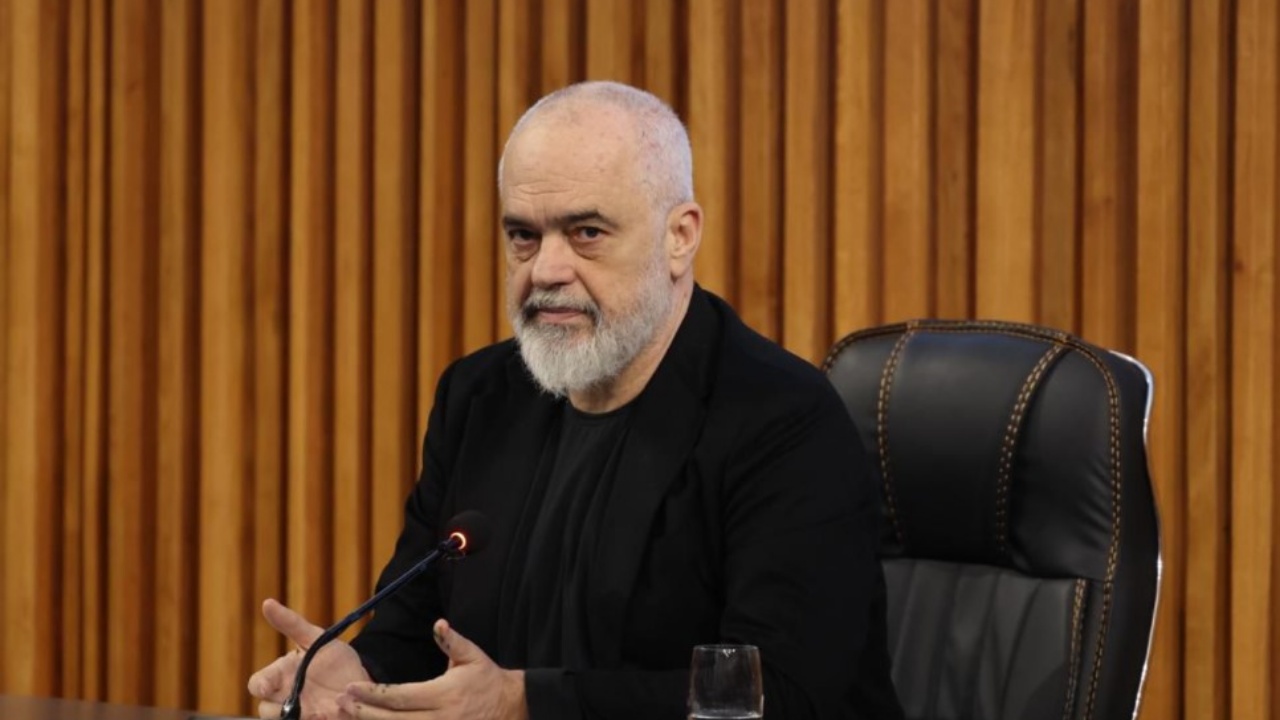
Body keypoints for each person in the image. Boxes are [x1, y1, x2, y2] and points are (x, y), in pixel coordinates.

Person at [248, 81, 902, 720]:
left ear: (679, 236)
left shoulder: (782, 421)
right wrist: (363, 678)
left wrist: (524, 703)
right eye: (523, 236)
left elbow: (779, 696)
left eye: (586, 232)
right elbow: (416, 632)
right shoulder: (479, 399)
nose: (546, 269)